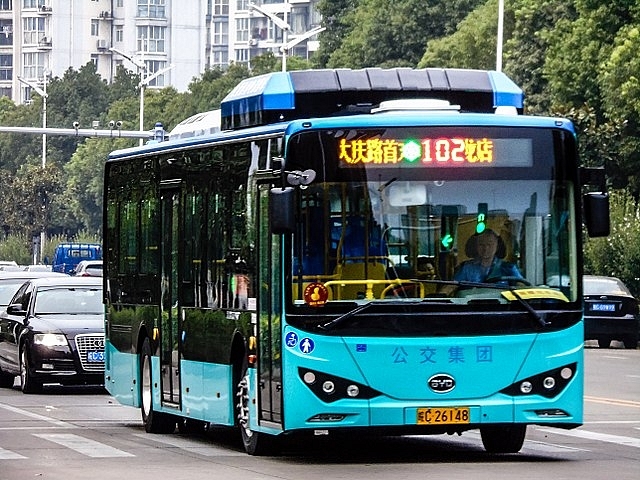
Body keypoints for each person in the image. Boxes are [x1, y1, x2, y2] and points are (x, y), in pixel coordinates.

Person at [453, 229, 523, 284]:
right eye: (481, 244)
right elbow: (453, 285)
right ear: (475, 246)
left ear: (497, 246)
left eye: (490, 244)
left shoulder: (508, 267)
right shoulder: (466, 268)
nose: (486, 248)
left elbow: (521, 286)